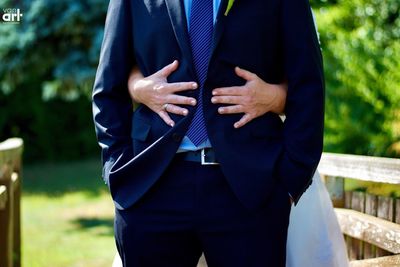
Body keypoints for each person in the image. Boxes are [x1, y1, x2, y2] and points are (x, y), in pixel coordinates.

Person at [92, 0, 325, 266]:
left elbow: (308, 85)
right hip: (151, 186)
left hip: (250, 190)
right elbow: (108, 88)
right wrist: (116, 166)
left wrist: (291, 176)